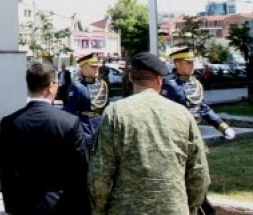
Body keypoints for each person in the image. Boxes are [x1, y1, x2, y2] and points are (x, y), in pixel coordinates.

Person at [88, 53, 210, 214]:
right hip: (173, 208)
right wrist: (192, 208)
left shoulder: (115, 113)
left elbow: (100, 172)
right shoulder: (182, 114)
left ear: (131, 78)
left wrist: (98, 210)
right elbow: (199, 172)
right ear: (160, 80)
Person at [0, 61, 89, 214]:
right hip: (61, 206)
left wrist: (11, 207)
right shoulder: (69, 122)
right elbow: (81, 169)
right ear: (51, 86)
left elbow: (6, 170)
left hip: (23, 206)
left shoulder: (10, 123)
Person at [161, 47, 235, 140]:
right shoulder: (169, 84)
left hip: (194, 134)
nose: (192, 65)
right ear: (177, 64)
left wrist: (223, 127)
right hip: (175, 136)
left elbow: (204, 109)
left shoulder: (195, 83)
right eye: (188, 62)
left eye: (192, 62)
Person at [64, 52, 109, 148]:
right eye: (93, 66)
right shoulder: (76, 87)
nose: (97, 68)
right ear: (83, 67)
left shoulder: (102, 85)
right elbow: (69, 114)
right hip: (84, 129)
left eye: (97, 66)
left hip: (100, 128)